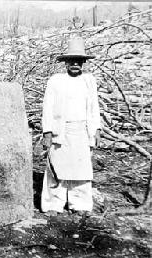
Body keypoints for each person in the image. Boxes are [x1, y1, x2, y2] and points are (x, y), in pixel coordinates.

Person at [41, 37, 101, 215]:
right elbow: (48, 107)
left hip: (82, 130)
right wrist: (47, 132)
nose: (75, 63)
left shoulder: (89, 81)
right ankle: (53, 204)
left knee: (81, 169)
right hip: (61, 130)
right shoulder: (55, 81)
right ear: (65, 62)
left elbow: (93, 107)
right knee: (56, 168)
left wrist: (96, 129)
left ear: (83, 62)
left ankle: (80, 204)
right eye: (71, 60)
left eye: (79, 60)